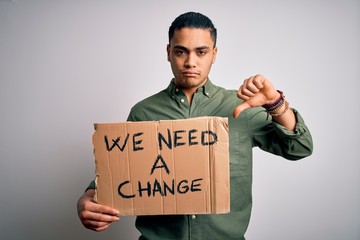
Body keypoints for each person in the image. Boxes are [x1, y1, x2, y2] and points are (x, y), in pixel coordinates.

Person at [77, 12, 313, 239]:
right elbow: (117, 174)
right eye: (181, 51)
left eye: (201, 52)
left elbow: (301, 148)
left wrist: (275, 104)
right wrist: (87, 199)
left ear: (214, 54)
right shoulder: (143, 112)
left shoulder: (242, 107)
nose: (190, 62)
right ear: (169, 52)